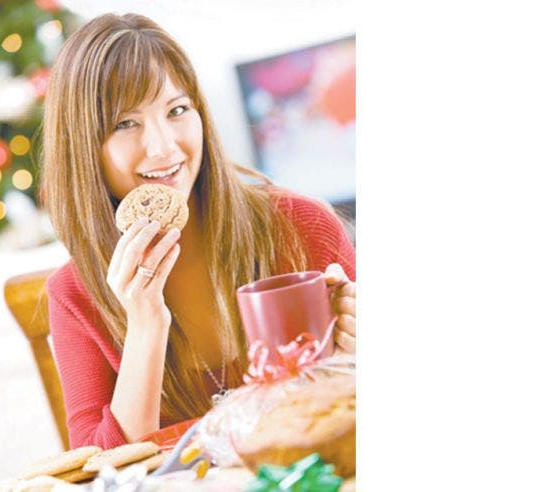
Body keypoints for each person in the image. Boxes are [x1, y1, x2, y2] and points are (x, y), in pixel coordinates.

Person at [39, 13, 356, 449]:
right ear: (83, 146)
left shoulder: (301, 229)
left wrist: (355, 353)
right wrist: (145, 323)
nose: (165, 146)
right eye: (124, 123)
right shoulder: (75, 295)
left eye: (177, 110)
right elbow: (99, 469)